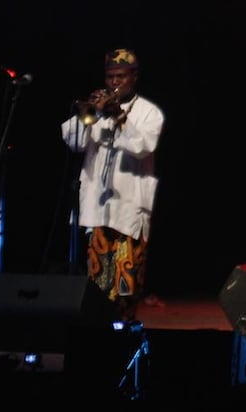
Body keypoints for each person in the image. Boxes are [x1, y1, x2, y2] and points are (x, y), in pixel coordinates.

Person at [61, 48, 164, 321]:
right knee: (95, 287)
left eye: (120, 76)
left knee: (124, 290)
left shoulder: (148, 113)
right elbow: (74, 141)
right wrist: (92, 113)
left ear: (134, 77)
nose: (114, 83)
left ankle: (123, 344)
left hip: (129, 213)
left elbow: (142, 146)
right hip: (96, 211)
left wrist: (118, 116)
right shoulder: (99, 112)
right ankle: (97, 340)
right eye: (110, 77)